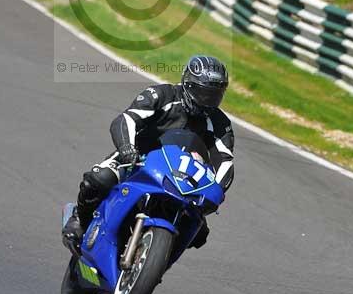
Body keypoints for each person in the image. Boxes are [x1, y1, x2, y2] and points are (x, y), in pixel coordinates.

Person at [62, 55, 235, 250]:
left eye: (215, 96)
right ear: (188, 85)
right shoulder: (162, 95)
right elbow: (127, 119)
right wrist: (127, 147)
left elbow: (225, 160)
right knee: (99, 179)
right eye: (204, 95)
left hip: (183, 178)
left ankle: (155, 263)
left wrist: (217, 190)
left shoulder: (220, 123)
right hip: (138, 158)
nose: (208, 103)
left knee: (198, 231)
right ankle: (80, 220)